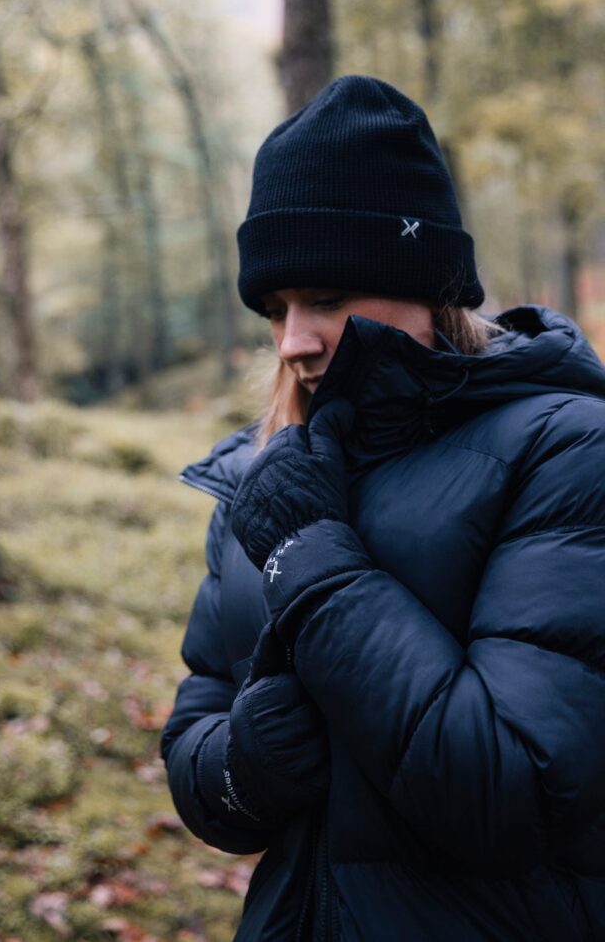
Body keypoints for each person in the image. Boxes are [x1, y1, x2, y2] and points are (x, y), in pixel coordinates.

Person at [160, 75, 605, 941]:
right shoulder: (269, 472)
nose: (294, 340)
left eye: (326, 299)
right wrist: (248, 764)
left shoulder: (569, 450)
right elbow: (196, 741)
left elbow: (509, 791)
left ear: (426, 282)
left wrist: (312, 561)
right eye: (277, 308)